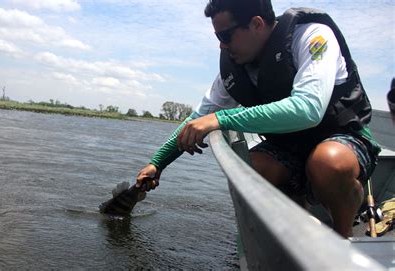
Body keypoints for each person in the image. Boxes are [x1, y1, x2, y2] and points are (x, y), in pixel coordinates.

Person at [136, 0, 381, 238]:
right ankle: (297, 233)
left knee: (328, 163)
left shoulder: (312, 36)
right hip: (288, 147)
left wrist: (221, 119)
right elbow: (197, 119)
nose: (222, 46)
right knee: (248, 170)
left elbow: (308, 109)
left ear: (256, 24)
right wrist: (157, 163)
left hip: (341, 138)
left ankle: (343, 236)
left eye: (225, 36)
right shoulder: (234, 69)